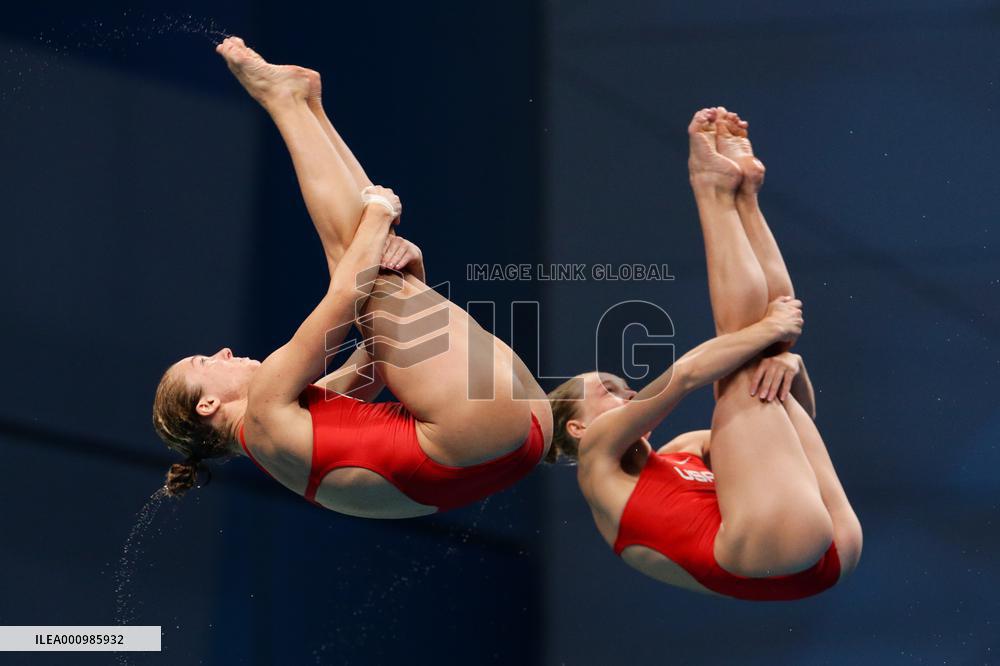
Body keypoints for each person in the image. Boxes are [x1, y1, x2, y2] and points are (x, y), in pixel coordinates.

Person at [152, 37, 552, 518]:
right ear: (208, 405)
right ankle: (287, 102)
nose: (221, 352)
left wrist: (414, 277)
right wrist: (380, 212)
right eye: (202, 362)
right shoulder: (261, 411)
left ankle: (304, 105)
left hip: (512, 441)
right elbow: (345, 294)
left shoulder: (280, 436)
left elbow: (374, 366)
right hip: (477, 432)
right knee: (356, 264)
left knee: (372, 275)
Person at [546, 108, 862, 600]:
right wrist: (769, 333)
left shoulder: (685, 450)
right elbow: (687, 374)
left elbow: (791, 436)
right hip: (769, 557)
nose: (627, 392)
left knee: (761, 368)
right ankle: (713, 189)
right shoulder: (597, 456)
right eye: (607, 391)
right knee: (740, 365)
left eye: (623, 385)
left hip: (818, 552)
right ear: (577, 426)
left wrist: (791, 366)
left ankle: (744, 198)